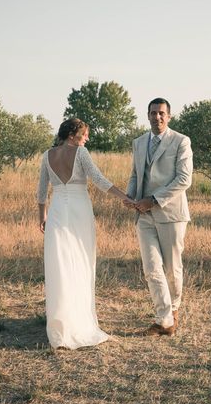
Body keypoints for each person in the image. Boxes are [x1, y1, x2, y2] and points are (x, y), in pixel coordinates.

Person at [37, 118, 134, 349]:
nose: (87, 139)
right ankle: (78, 323)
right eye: (85, 134)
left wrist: (42, 216)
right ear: (73, 135)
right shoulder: (81, 153)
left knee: (59, 266)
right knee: (81, 263)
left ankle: (59, 325)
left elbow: (41, 191)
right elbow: (99, 180)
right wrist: (125, 198)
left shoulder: (46, 156)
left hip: (58, 211)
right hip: (79, 212)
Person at [124, 98, 193, 336]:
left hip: (171, 214)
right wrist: (131, 196)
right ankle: (164, 320)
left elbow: (184, 179)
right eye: (153, 113)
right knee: (151, 268)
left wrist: (153, 200)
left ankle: (173, 310)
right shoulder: (139, 142)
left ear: (169, 116)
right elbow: (135, 174)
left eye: (162, 113)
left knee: (172, 268)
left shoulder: (181, 141)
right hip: (143, 215)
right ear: (148, 115)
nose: (157, 117)